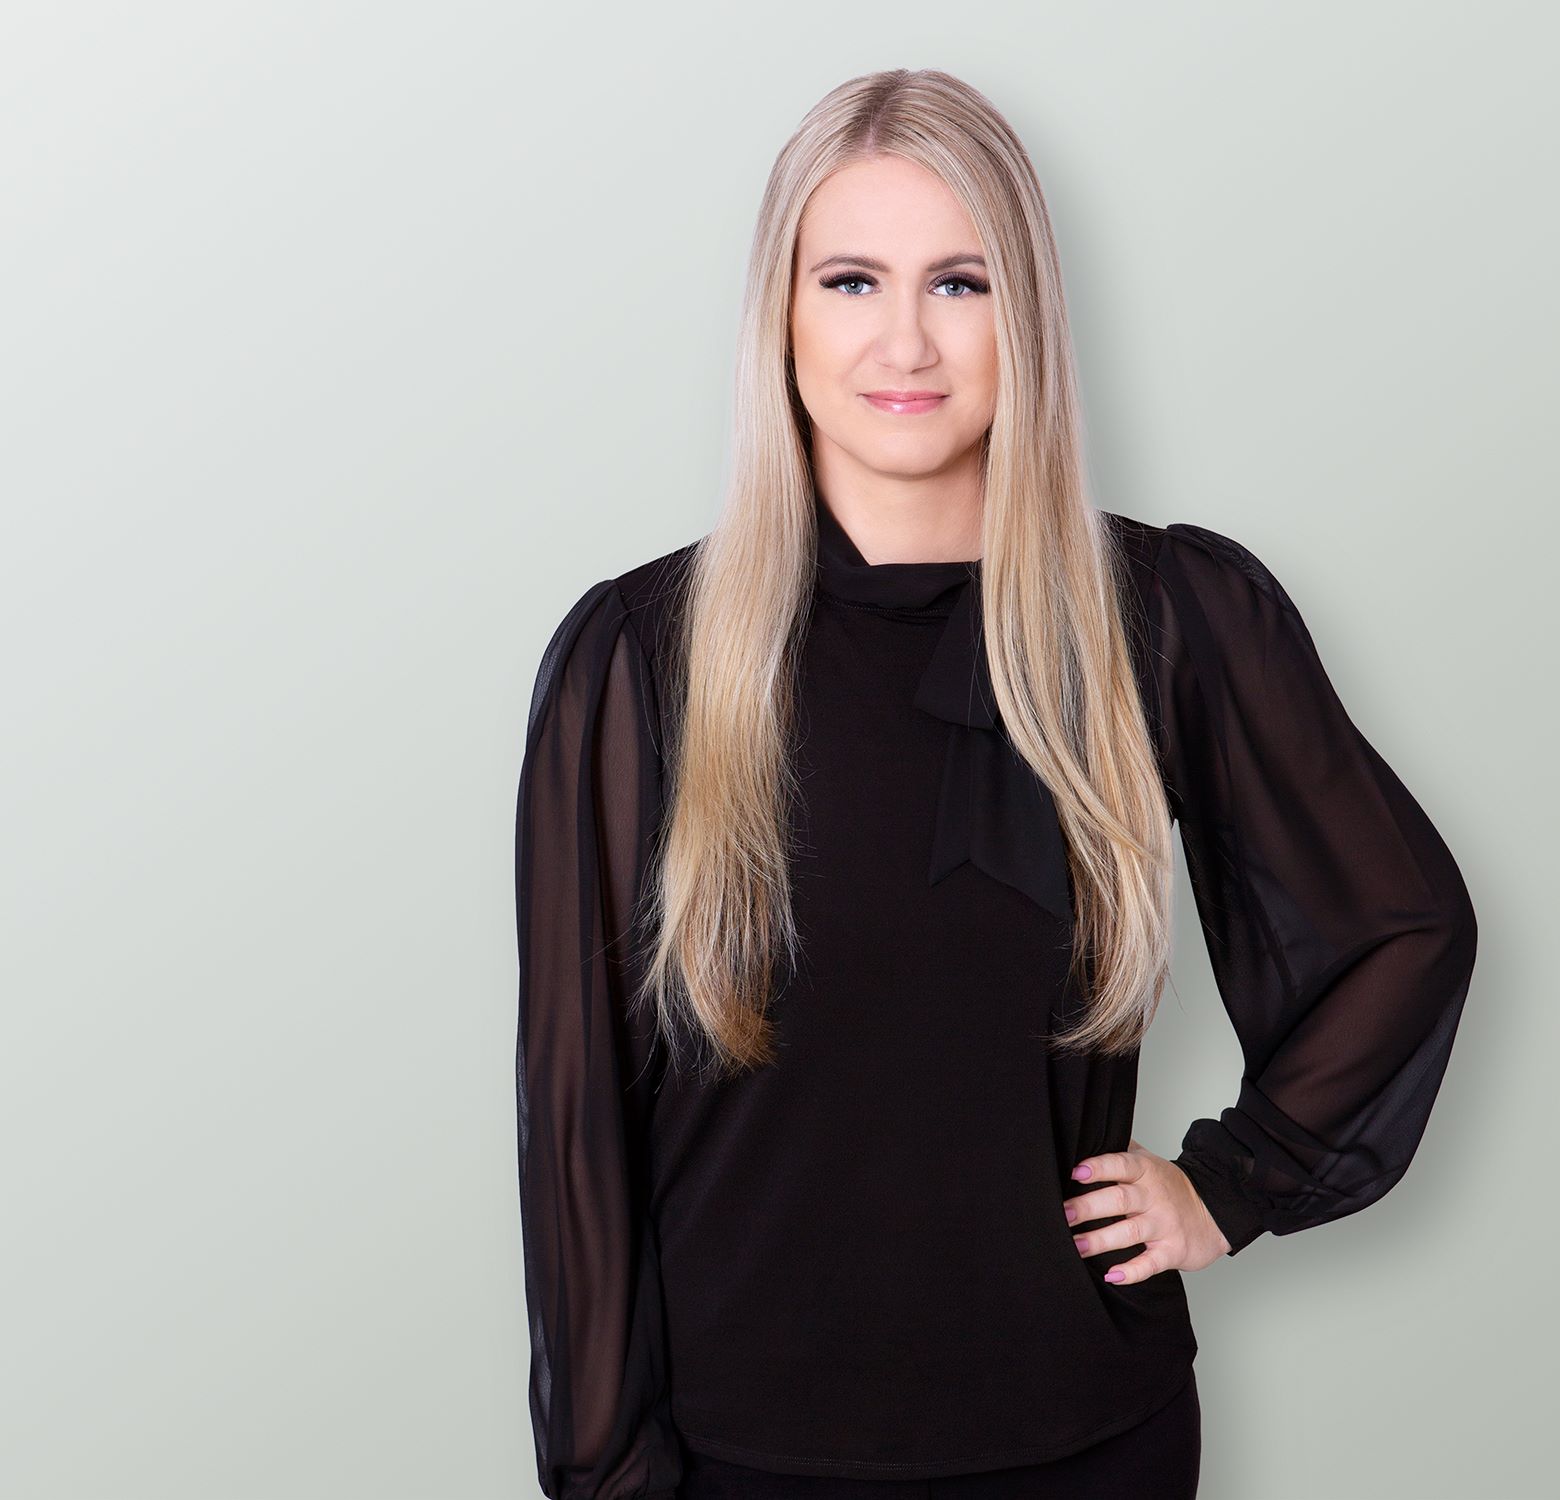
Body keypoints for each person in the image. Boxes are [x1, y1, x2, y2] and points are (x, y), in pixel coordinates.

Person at [512, 68, 1478, 1500]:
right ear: (781, 314)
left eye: (959, 284)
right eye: (851, 280)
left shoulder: (1166, 616)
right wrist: (605, 1474)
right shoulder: (639, 655)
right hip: (735, 1455)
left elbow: (1402, 929)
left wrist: (1235, 1184)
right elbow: (575, 1122)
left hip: (1089, 1441)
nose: (904, 339)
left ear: (1024, 315)